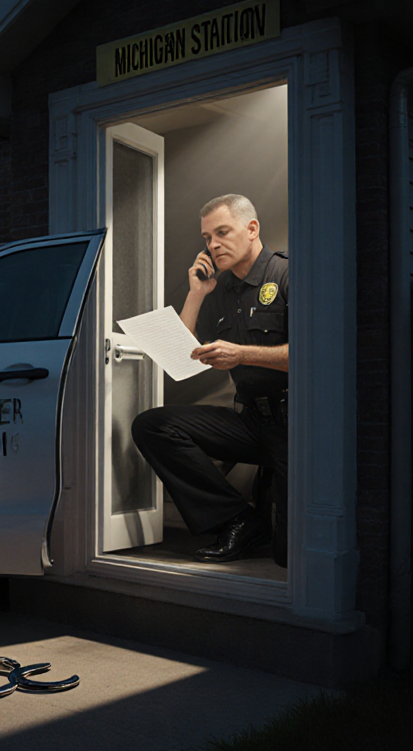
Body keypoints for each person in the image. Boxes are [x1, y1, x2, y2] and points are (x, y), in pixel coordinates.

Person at [131, 194, 288, 563]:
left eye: (222, 232)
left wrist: (242, 354)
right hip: (250, 422)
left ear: (251, 229)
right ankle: (238, 518)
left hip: (294, 426)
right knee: (153, 425)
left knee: (287, 555)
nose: (213, 245)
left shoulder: (285, 274)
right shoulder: (220, 289)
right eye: (207, 238)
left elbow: (316, 357)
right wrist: (197, 294)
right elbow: (179, 353)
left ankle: (271, 517)